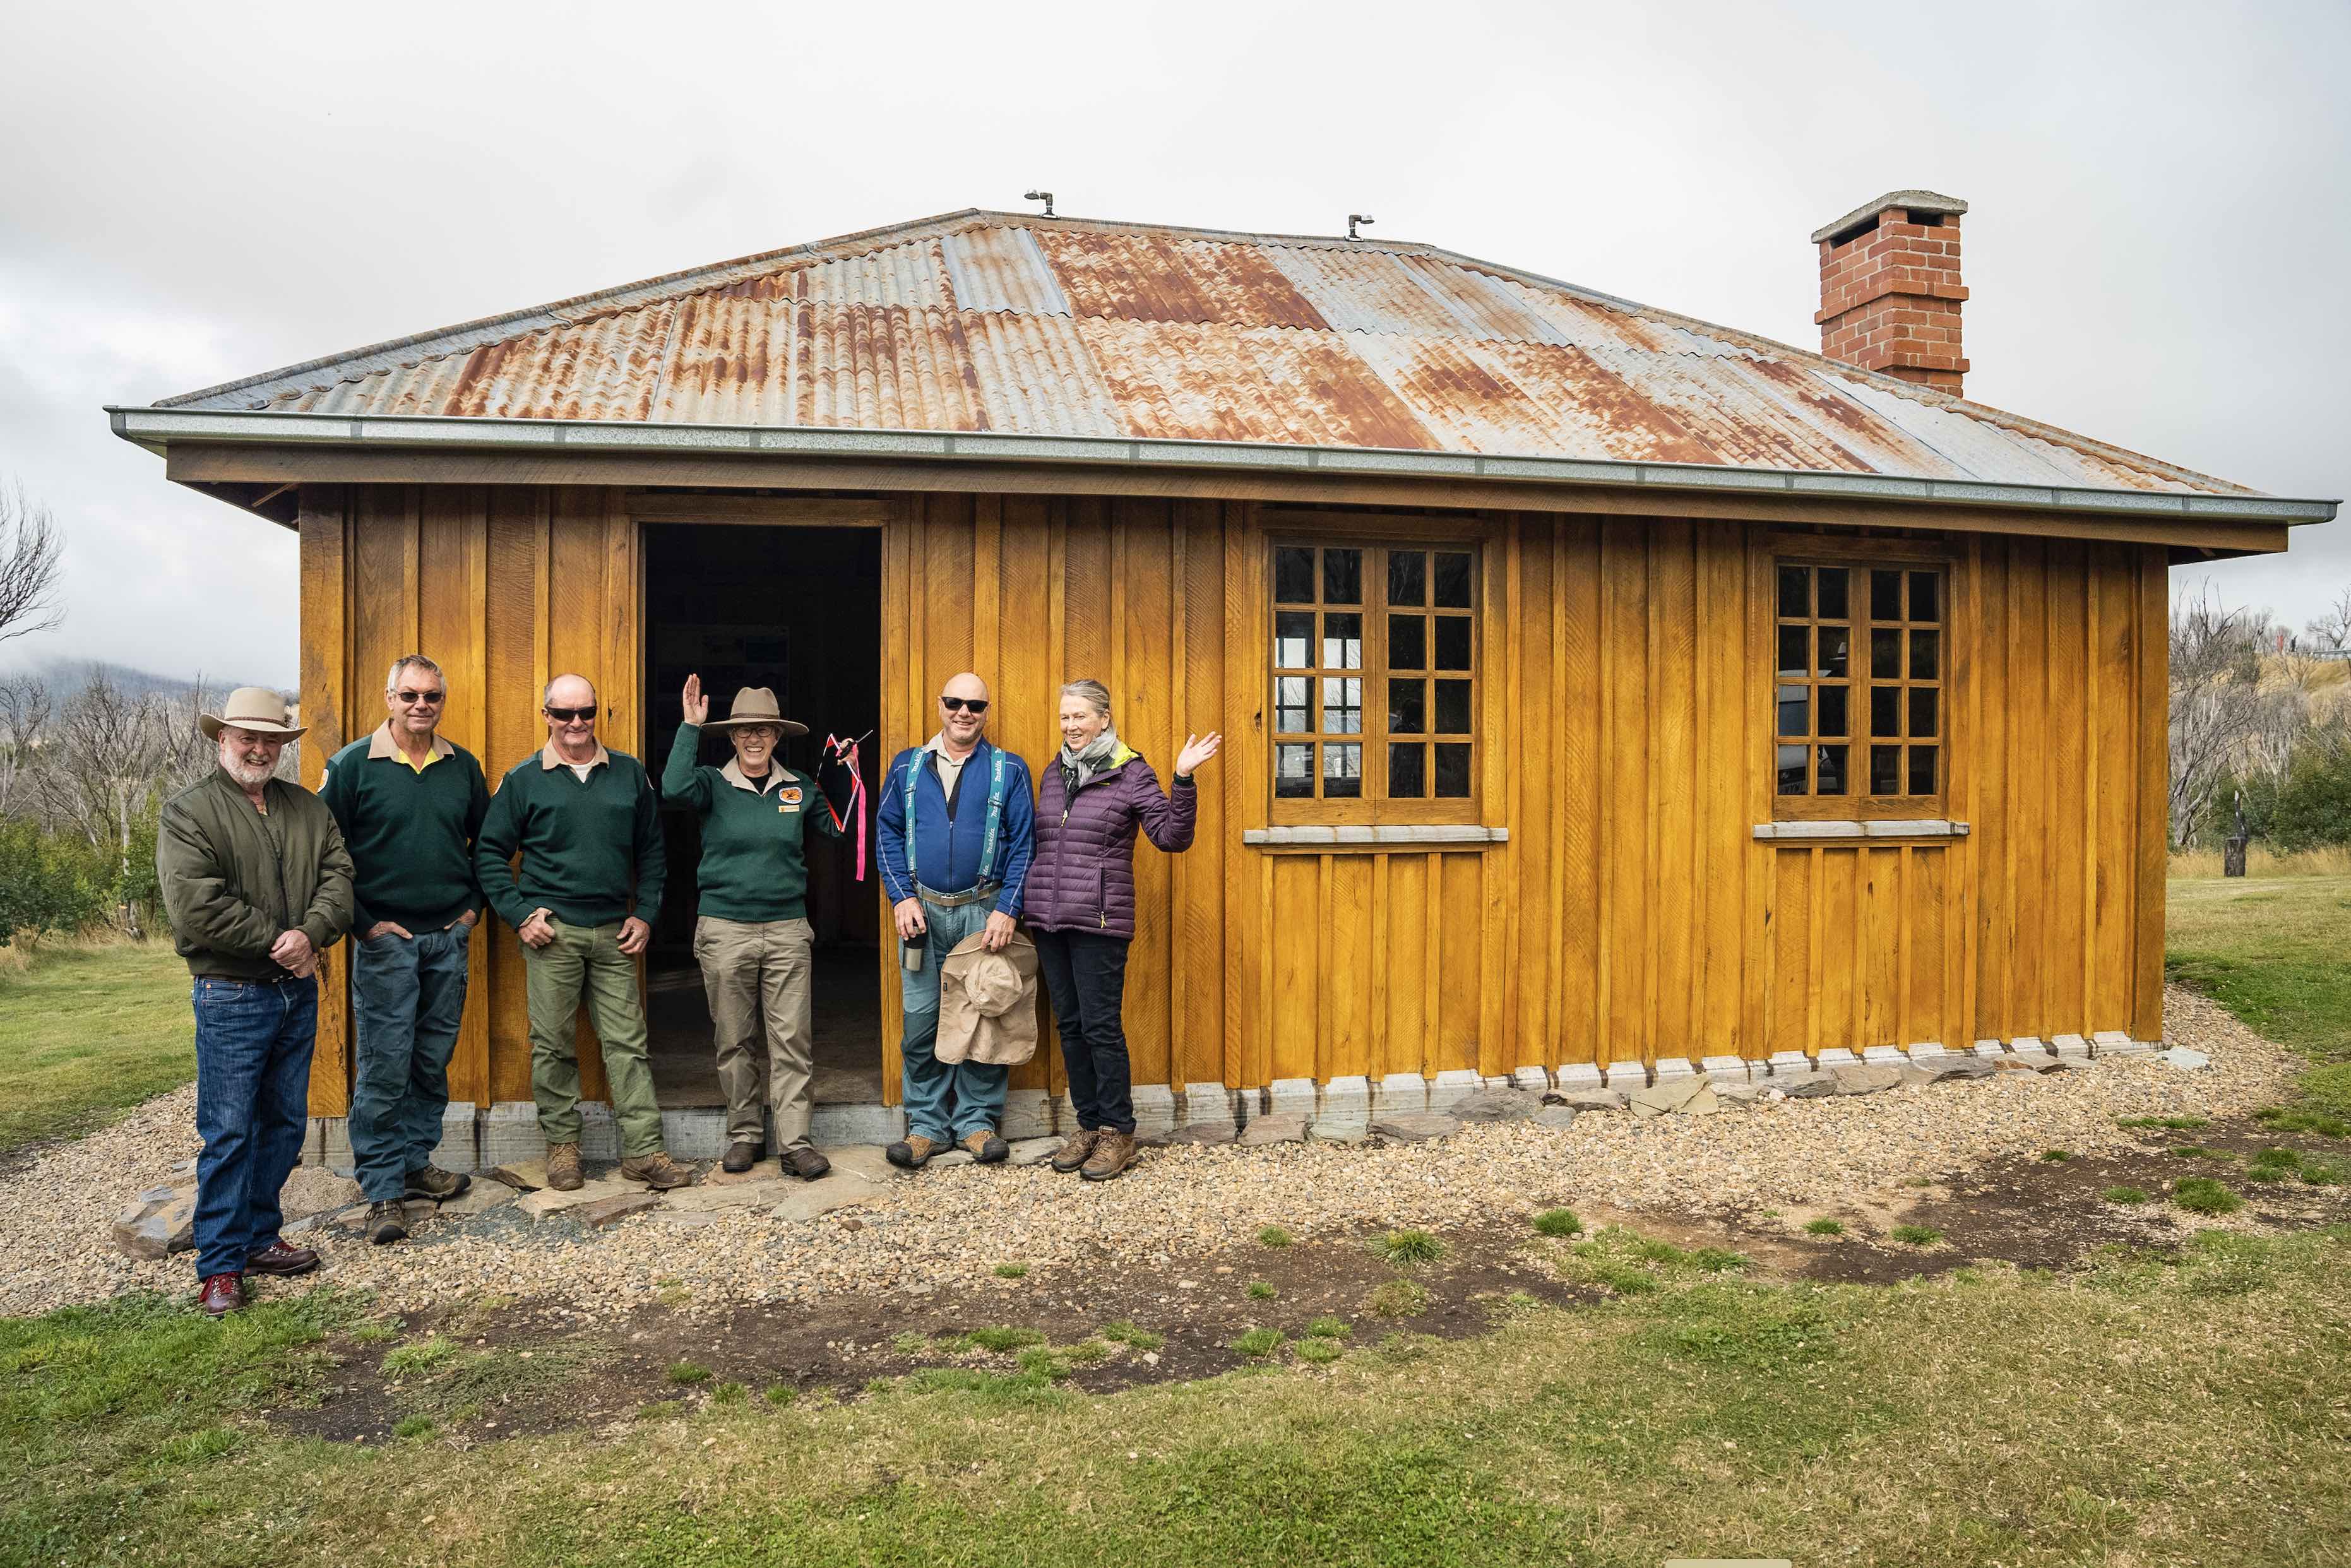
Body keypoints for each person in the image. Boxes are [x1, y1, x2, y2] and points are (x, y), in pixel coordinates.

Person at [157, 687, 355, 1317]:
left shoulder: (305, 808)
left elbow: (339, 878)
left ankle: (259, 1237)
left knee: (284, 1124)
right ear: (223, 740)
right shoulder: (188, 812)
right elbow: (196, 903)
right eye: (248, 737)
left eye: (270, 739)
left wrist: (311, 934)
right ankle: (219, 1264)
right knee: (229, 1130)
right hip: (230, 992)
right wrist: (278, 940)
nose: (260, 748)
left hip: (296, 991)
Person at [474, 674, 694, 1193]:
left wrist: (646, 915)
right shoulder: (525, 779)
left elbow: (653, 854)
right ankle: (564, 1148)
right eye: (564, 713)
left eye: (586, 712)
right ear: (546, 716)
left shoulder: (629, 775)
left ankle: (644, 1151)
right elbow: (487, 854)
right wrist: (520, 914)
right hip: (555, 935)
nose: (576, 724)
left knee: (628, 1044)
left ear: (599, 714)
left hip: (616, 932)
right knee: (552, 1044)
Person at [318, 654, 489, 1245]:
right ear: (389, 697)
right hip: (386, 942)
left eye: (432, 697)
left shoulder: (462, 767)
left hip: (447, 937)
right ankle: (384, 1187)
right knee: (386, 1064)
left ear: (443, 701)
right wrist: (363, 923)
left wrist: (472, 910)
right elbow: (326, 856)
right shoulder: (350, 768)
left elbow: (484, 845)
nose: (422, 706)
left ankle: (417, 1163)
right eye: (410, 695)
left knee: (430, 1058)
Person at [1025, 680, 1218, 1181]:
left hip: (1100, 920)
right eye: (1065, 717)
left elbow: (1172, 837)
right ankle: (1088, 1126)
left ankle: (1118, 1132)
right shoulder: (1053, 773)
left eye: (1081, 717)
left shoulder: (1132, 773)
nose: (1070, 726)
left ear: (1105, 719)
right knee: (1069, 1026)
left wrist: (1183, 778)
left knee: (1101, 1028)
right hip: (1050, 919)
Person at [664, 677, 842, 1179]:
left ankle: (795, 1143)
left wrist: (849, 774)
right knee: (734, 1039)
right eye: (745, 731)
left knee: (792, 1040)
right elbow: (674, 788)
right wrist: (689, 728)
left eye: (764, 729)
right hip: (725, 928)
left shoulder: (799, 786)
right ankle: (745, 1135)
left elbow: (839, 826)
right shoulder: (711, 782)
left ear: (778, 735)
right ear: (732, 737)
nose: (755, 738)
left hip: (786, 927)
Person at [874, 672, 1034, 1170]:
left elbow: (1026, 843)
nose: (964, 712)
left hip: (983, 913)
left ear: (986, 712)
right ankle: (925, 1127)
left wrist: (1008, 907)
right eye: (954, 702)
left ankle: (977, 1123)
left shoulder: (1009, 770)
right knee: (921, 1022)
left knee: (986, 1015)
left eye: (975, 705)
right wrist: (901, 898)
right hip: (920, 914)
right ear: (940, 706)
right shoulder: (907, 767)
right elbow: (886, 835)